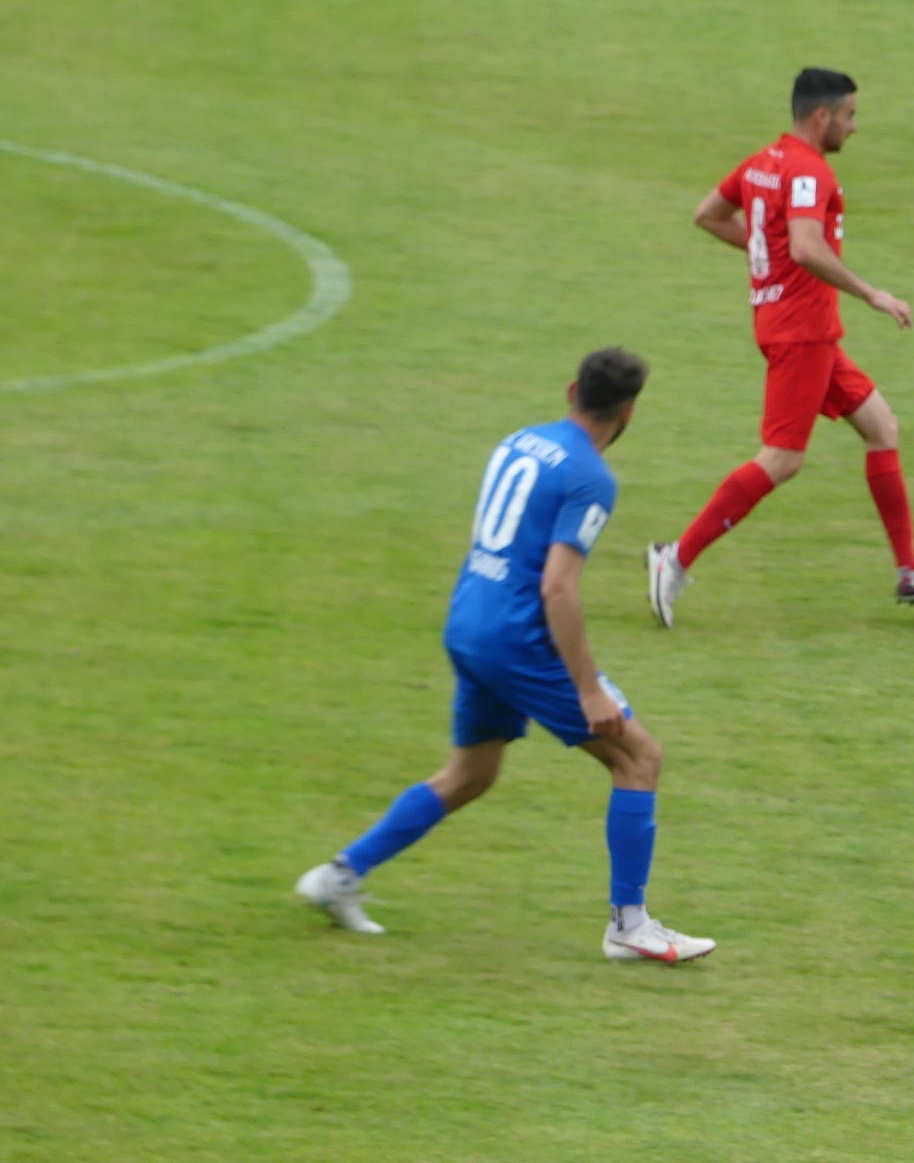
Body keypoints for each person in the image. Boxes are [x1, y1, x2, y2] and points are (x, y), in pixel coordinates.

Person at [296, 348, 716, 964]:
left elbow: (484, 538)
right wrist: (588, 690)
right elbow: (557, 587)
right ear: (628, 412)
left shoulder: (519, 441)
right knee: (639, 757)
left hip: (470, 621)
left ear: (571, 390)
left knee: (471, 774)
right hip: (518, 638)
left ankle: (340, 874)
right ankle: (629, 926)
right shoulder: (590, 478)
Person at [647, 68, 914, 628]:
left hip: (797, 326)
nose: (854, 127)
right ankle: (673, 560)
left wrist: (767, 255)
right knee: (782, 458)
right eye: (849, 116)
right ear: (822, 117)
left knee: (881, 427)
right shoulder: (809, 171)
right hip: (801, 331)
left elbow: (708, 215)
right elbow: (805, 246)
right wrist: (871, 293)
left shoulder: (763, 162)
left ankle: (907, 569)